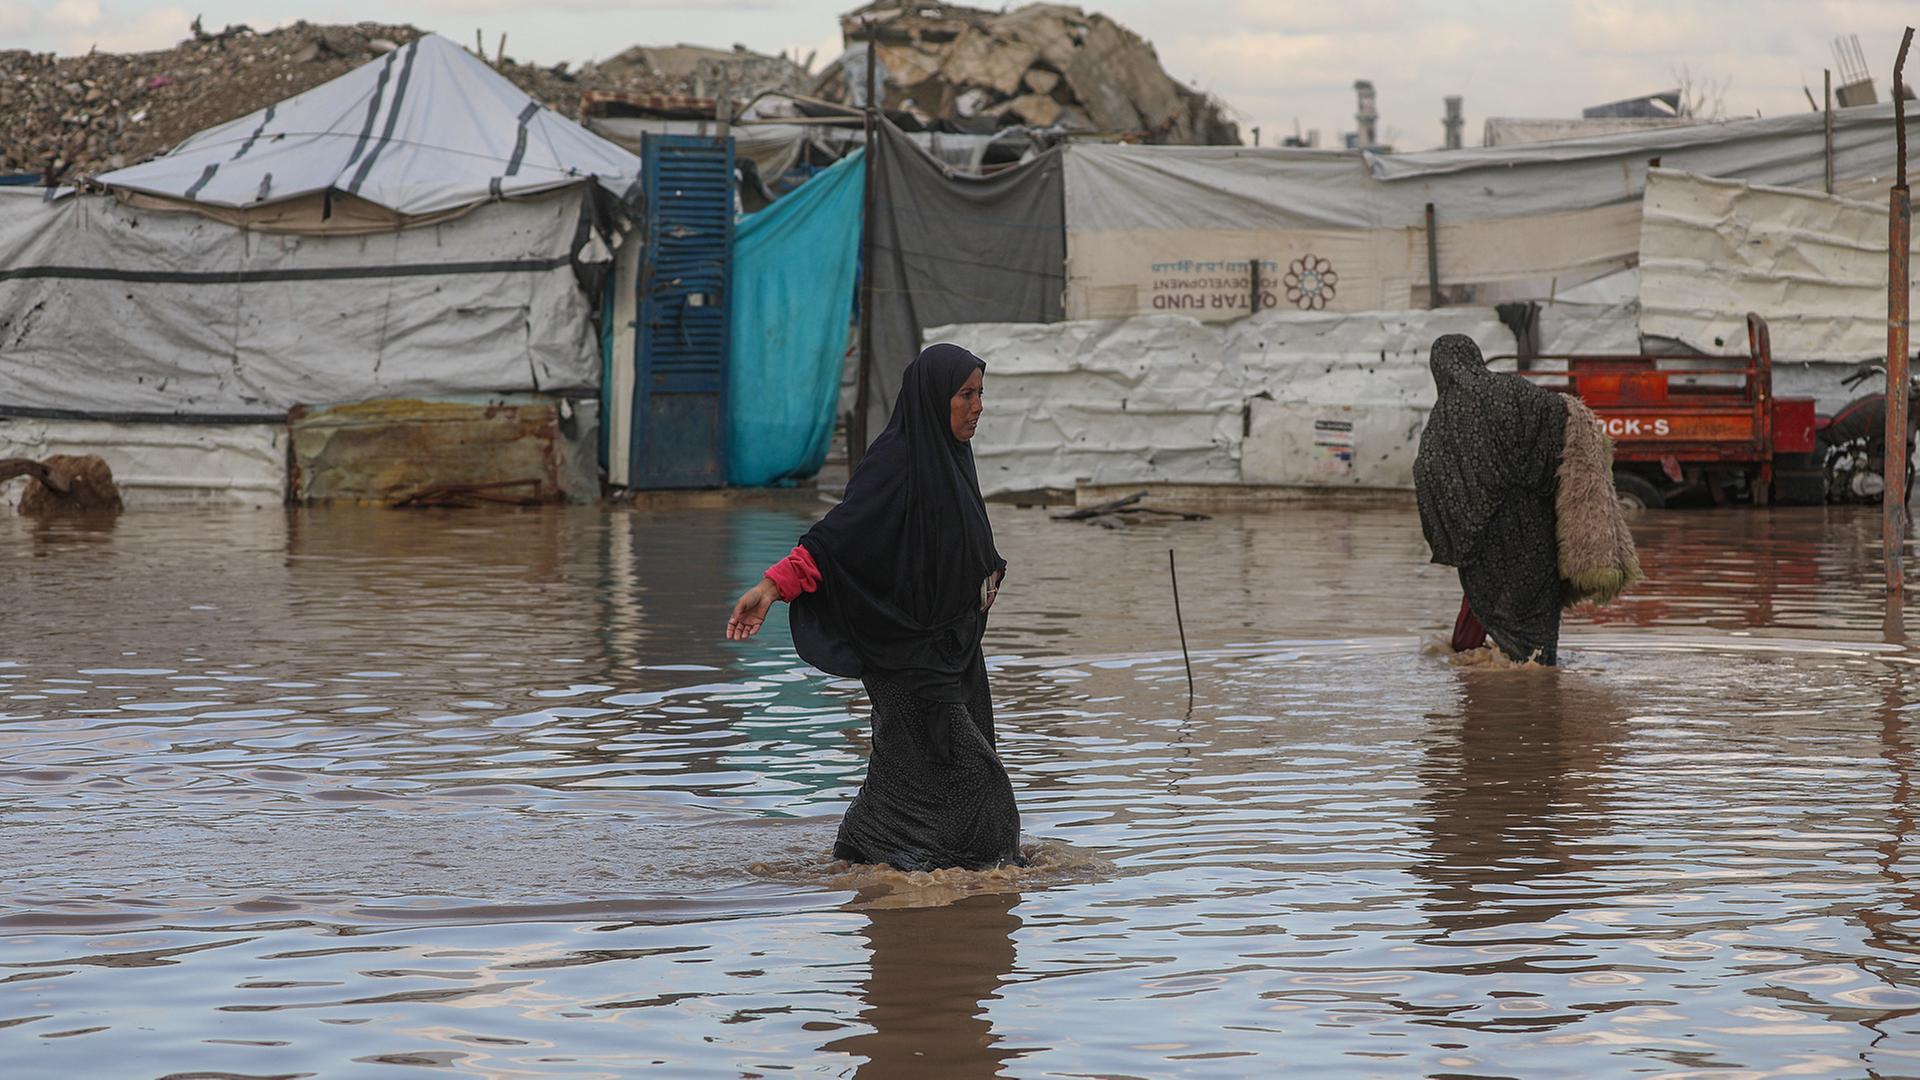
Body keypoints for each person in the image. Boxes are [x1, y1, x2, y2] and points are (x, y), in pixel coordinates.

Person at [725, 343, 1021, 872]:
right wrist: (772, 587)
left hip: (952, 653)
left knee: (913, 771)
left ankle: (880, 871)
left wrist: (986, 574)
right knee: (979, 783)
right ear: (933, 399)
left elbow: (954, 550)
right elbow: (837, 541)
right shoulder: (896, 464)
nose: (977, 407)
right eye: (965, 395)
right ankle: (933, 873)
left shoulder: (952, 462)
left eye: (981, 395)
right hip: (906, 654)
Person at [1414, 334, 1641, 666]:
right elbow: (1563, 415)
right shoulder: (1515, 389)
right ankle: (1541, 678)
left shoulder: (1446, 414)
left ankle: (1515, 693)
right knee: (1537, 611)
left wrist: (1460, 530)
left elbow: (1430, 473)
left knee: (1499, 610)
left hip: (1489, 539)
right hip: (1536, 526)